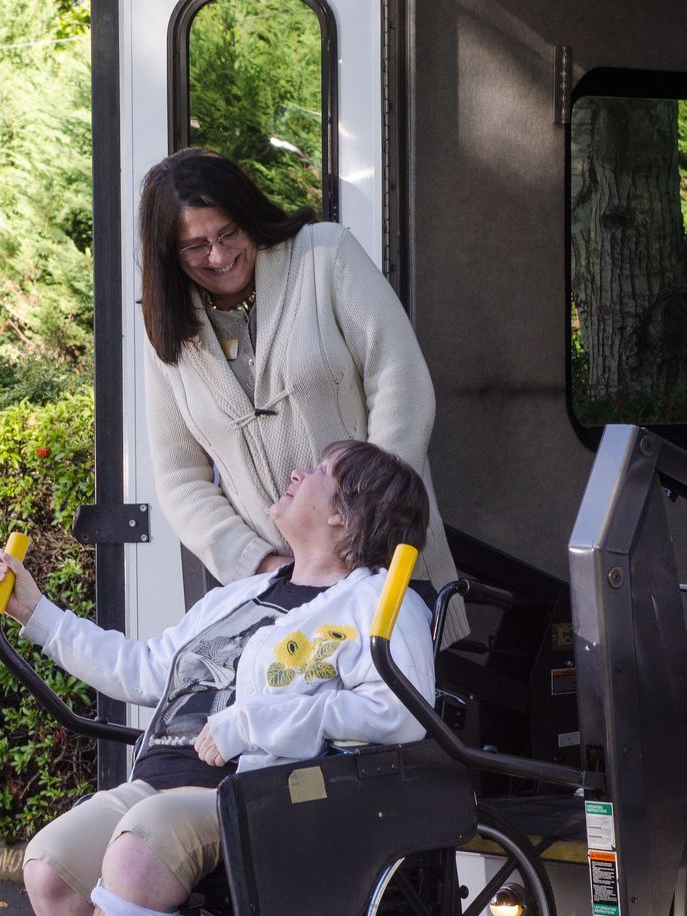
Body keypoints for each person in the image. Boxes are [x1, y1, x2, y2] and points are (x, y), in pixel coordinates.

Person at [0, 440, 437, 916]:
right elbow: (141, 669)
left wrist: (253, 724)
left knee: (141, 843)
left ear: (346, 516)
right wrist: (37, 614)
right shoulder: (242, 595)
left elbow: (400, 712)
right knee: (50, 867)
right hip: (158, 788)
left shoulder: (377, 603)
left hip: (258, 801)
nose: (295, 471)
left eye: (317, 472)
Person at [137, 148, 465, 646]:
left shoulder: (324, 254)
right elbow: (181, 479)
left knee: (401, 712)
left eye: (228, 233)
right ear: (169, 254)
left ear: (249, 214)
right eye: (196, 246)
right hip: (280, 605)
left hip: (387, 569)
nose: (220, 256)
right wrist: (260, 563)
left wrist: (367, 525)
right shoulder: (164, 330)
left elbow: (401, 379)